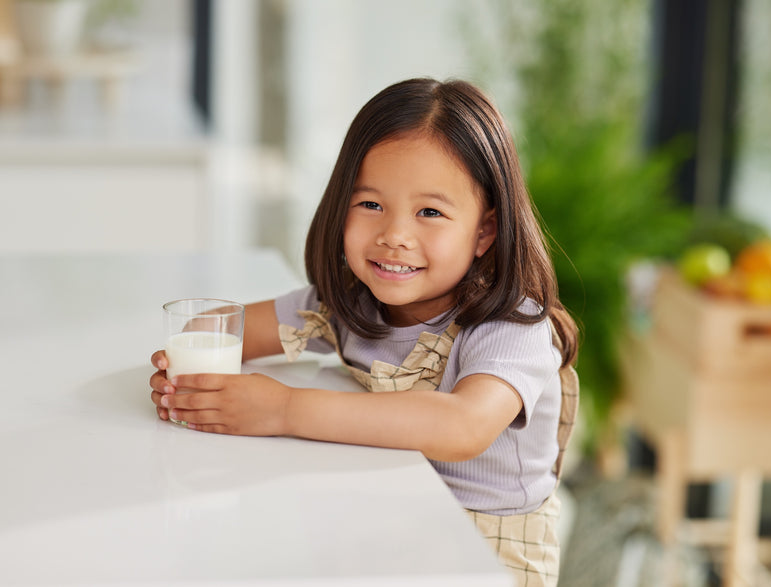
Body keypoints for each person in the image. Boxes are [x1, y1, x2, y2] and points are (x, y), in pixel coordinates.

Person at [149, 77, 579, 586]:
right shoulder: (350, 303)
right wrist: (192, 376)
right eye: (371, 204)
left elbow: (462, 427)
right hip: (392, 524)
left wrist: (282, 409)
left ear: (484, 231)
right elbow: (224, 329)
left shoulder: (510, 324)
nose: (394, 235)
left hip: (486, 550)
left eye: (430, 213)